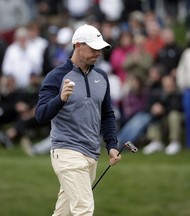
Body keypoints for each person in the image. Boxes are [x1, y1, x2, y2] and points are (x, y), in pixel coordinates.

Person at [35, 24, 121, 215]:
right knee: (84, 209)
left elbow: (107, 114)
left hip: (91, 154)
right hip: (67, 153)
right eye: (93, 48)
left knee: (64, 212)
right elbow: (40, 114)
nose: (98, 53)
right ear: (78, 45)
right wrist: (61, 99)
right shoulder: (56, 77)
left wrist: (112, 144)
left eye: (100, 49)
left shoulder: (102, 76)